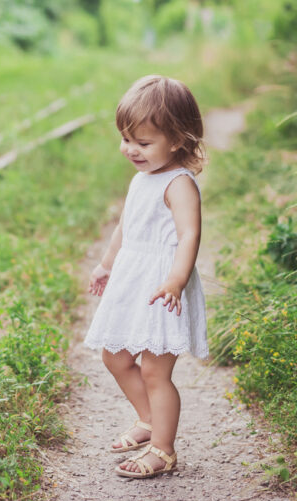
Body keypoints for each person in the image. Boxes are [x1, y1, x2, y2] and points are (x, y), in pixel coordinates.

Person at [83, 75, 208, 479]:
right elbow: (127, 227)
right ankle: (148, 418)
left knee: (155, 371)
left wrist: (176, 280)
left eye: (143, 142)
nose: (130, 150)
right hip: (131, 281)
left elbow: (189, 235)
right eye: (126, 139)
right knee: (115, 356)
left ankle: (163, 448)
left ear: (176, 140)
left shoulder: (179, 183)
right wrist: (106, 264)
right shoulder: (142, 178)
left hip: (162, 287)